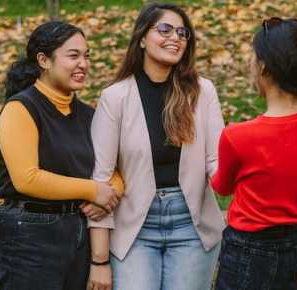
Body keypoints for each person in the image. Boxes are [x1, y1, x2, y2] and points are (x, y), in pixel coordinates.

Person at [86, 3, 226, 290]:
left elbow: (217, 161)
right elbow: (101, 177)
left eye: (182, 33)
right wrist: (99, 260)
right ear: (141, 38)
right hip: (134, 226)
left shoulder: (202, 92)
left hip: (192, 225)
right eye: (164, 29)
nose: (175, 37)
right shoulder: (115, 97)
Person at [0, 21, 123, 290]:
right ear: (44, 60)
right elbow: (26, 179)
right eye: (73, 56)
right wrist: (92, 190)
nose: (83, 64)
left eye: (87, 56)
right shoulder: (21, 108)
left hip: (79, 230)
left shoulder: (89, 115)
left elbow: (115, 172)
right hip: (30, 231)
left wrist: (108, 194)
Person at [212, 17, 297, 290]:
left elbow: (221, 186)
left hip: (247, 249)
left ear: (264, 66)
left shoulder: (238, 136)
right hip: (291, 245)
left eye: (253, 59)